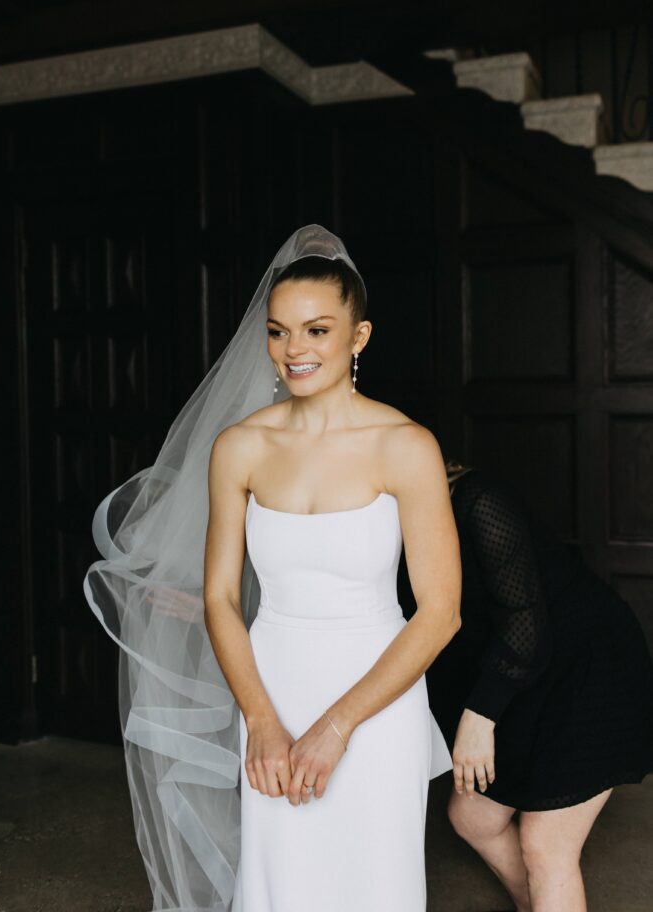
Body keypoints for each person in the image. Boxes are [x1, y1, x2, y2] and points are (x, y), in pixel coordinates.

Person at [83, 225, 459, 912]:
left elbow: (440, 611)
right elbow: (223, 599)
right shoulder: (240, 447)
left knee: (375, 881)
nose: (294, 351)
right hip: (273, 687)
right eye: (278, 332)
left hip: (377, 699)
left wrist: (337, 725)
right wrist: (260, 720)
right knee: (281, 882)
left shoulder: (405, 446)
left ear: (358, 336)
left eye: (316, 330)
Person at [423, 462, 653, 912]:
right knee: (471, 817)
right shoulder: (375, 526)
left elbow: (523, 623)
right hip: (519, 676)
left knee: (545, 845)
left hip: (588, 665)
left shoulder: (476, 499)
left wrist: (479, 717)